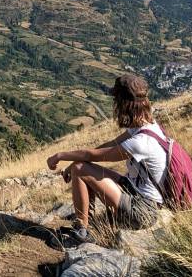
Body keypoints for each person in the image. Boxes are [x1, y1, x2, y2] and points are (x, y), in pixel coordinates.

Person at [46, 74, 166, 245]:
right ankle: (86, 224)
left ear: (125, 104)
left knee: (81, 169)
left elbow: (94, 155)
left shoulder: (141, 142)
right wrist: (72, 164)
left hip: (143, 210)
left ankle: (81, 231)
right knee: (80, 167)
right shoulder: (146, 127)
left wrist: (60, 156)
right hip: (134, 191)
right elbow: (104, 148)